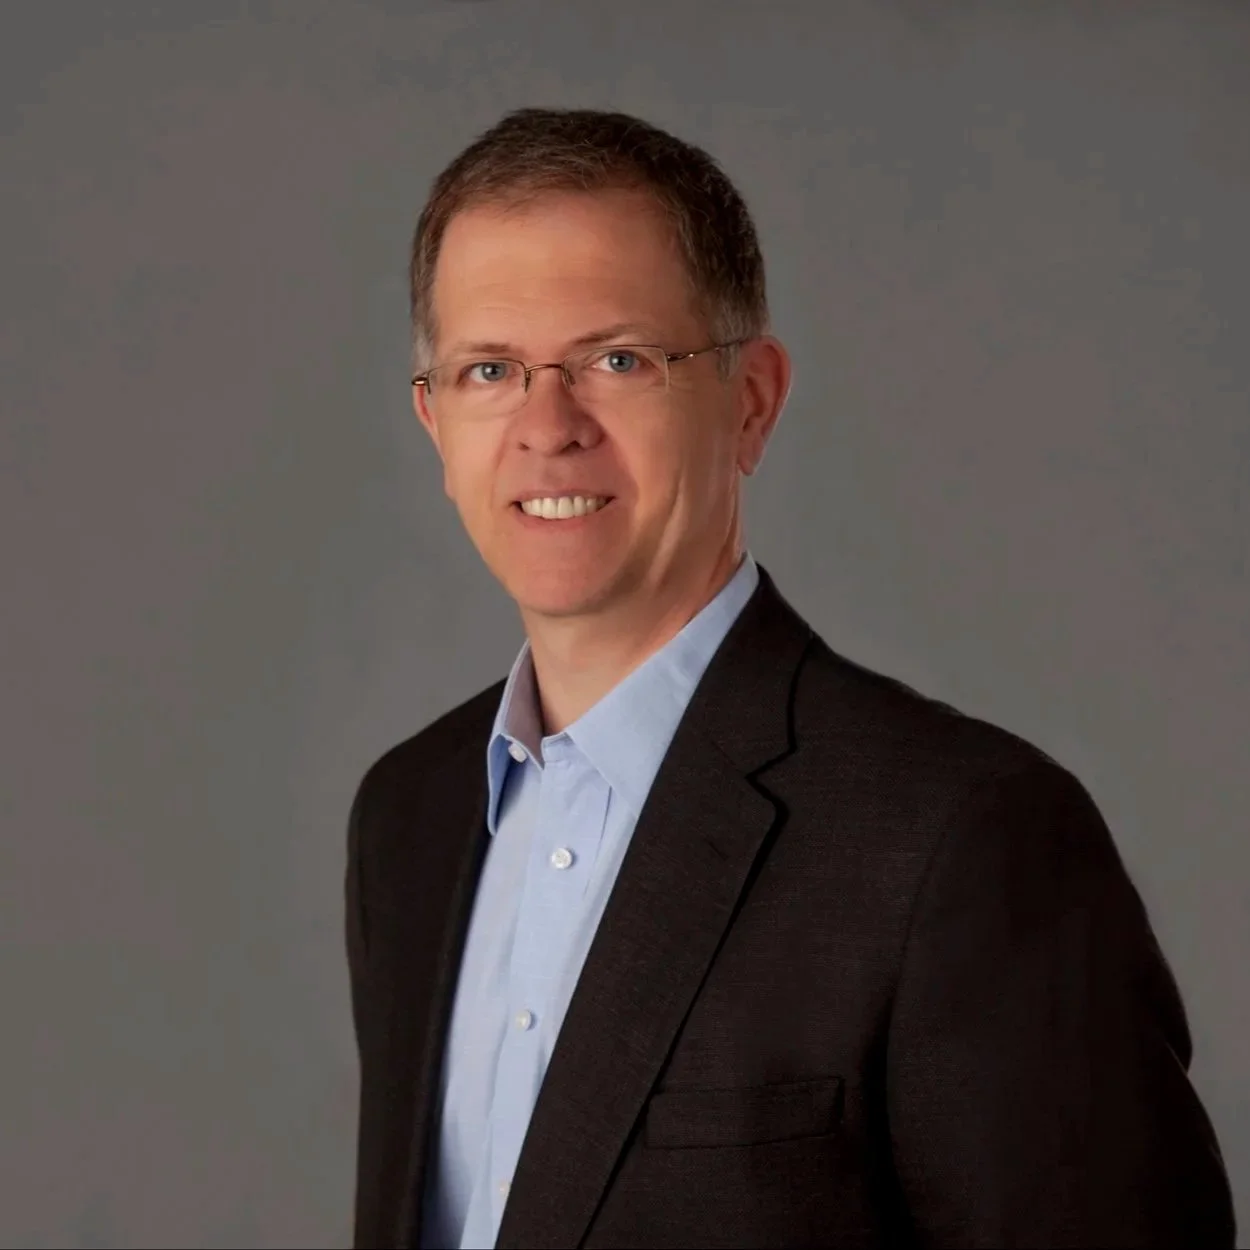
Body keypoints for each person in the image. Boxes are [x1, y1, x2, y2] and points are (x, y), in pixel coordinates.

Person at [343, 107, 1235, 1250]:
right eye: (489, 370)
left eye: (616, 358)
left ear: (751, 400)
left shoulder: (960, 835)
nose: (546, 425)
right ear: (433, 419)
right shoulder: (407, 817)